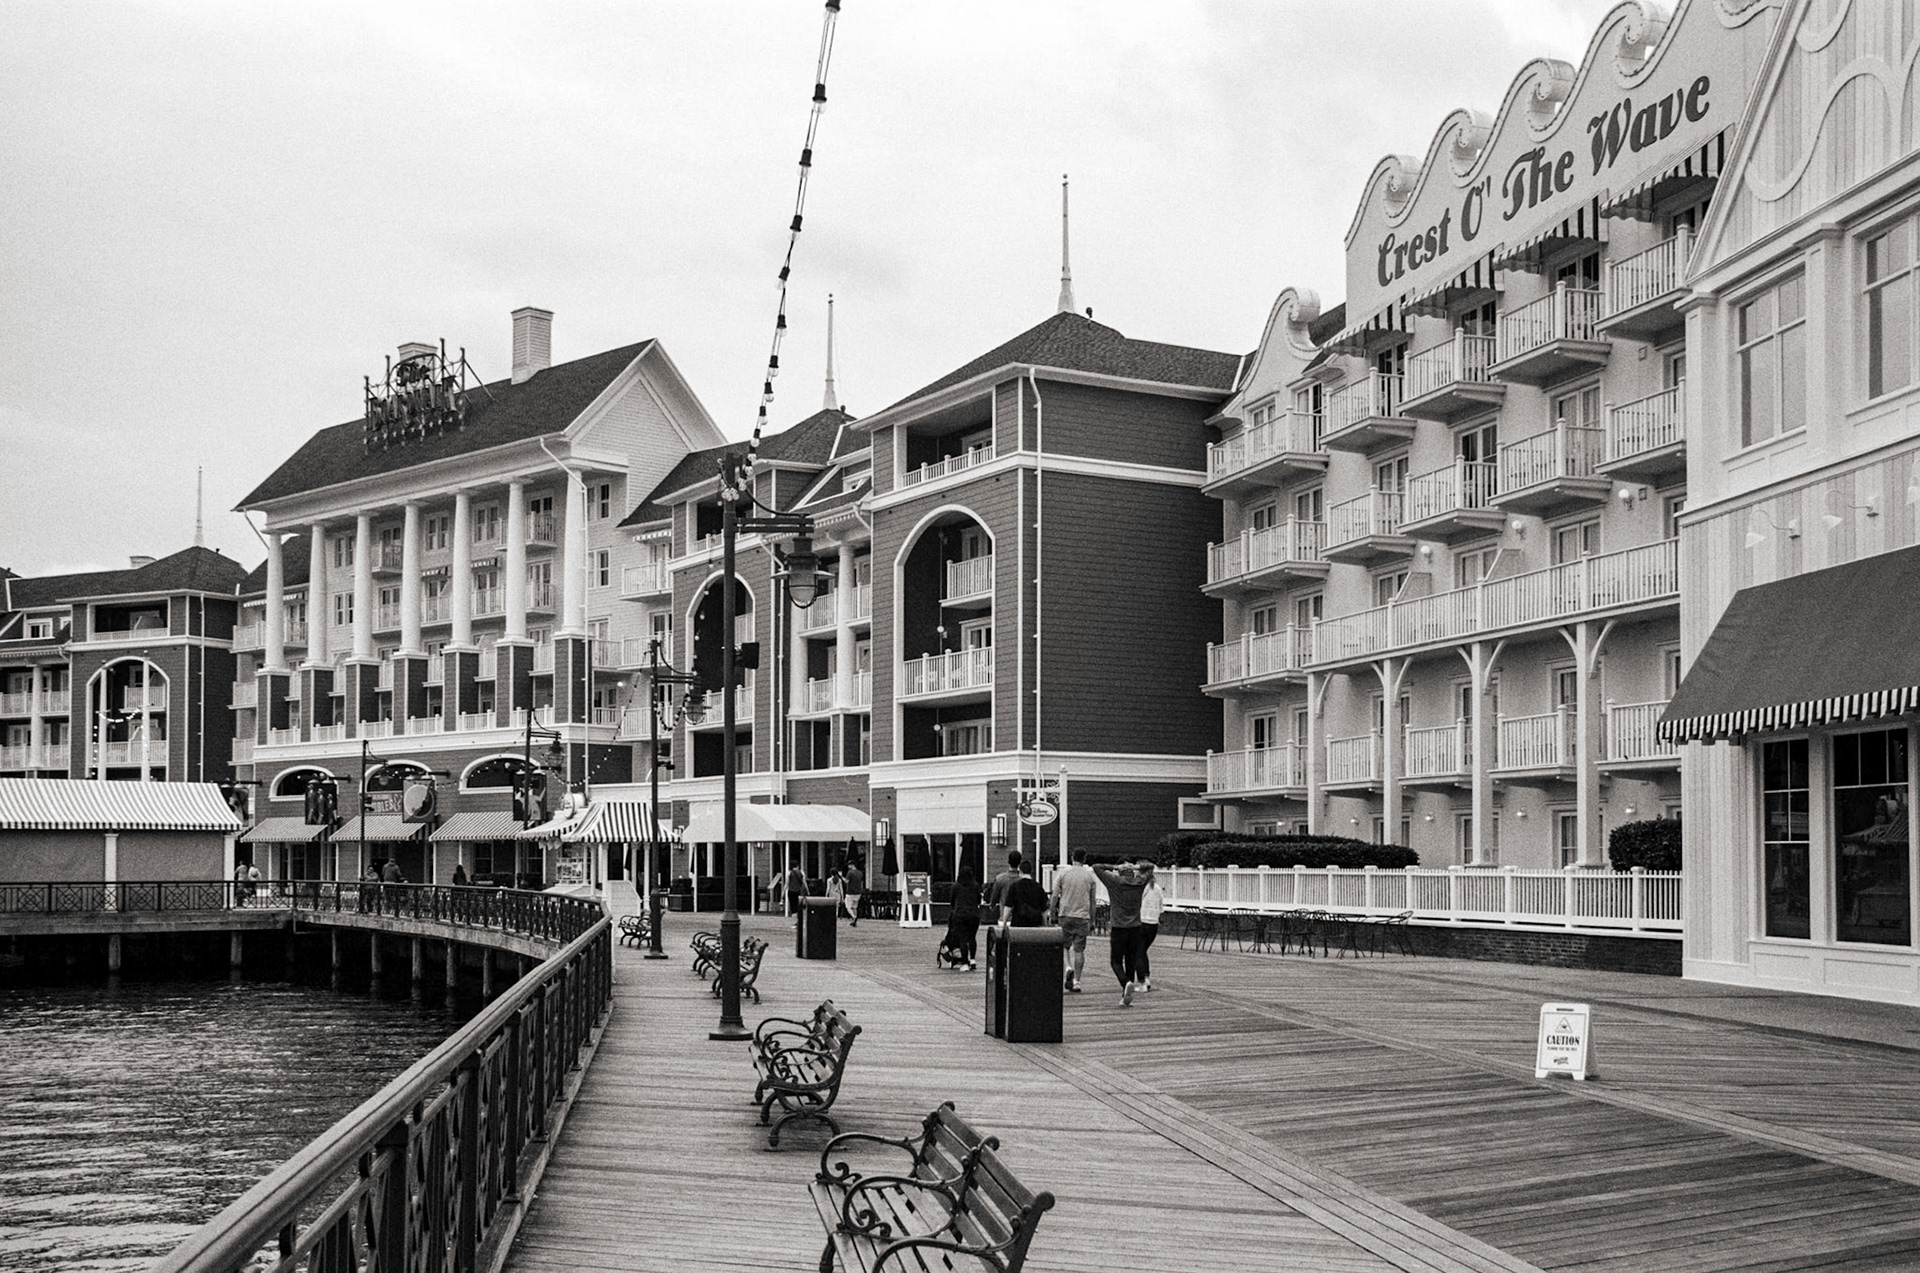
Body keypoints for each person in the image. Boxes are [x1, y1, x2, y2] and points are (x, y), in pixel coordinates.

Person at [1092, 860, 1151, 1005]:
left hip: (1119, 927)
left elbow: (1096, 867)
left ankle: (1125, 983)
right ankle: (1126, 995)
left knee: (1116, 961)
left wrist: (1115, 867)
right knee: (1130, 961)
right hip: (1135, 928)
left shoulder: (1114, 882)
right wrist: (1137, 866)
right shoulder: (1140, 882)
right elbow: (1150, 867)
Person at [1049, 849, 1098, 992]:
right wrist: (1093, 920)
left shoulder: (1063, 873)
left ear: (1072, 858)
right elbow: (1092, 901)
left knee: (1064, 945)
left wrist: (1052, 913)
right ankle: (1077, 981)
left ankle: (1067, 967)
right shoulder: (1090, 877)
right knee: (1079, 950)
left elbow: (1054, 896)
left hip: (1065, 915)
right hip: (1082, 917)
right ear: (1085, 858)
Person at [939, 862, 981, 970]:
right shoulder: (976, 886)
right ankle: (973, 960)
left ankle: (965, 963)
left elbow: (952, 901)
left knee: (963, 939)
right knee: (972, 938)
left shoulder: (956, 886)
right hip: (973, 915)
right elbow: (978, 900)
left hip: (960, 915)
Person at [1136, 862, 1164, 993]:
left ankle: (1142, 982)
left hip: (1141, 922)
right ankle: (1146, 978)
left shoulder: (1141, 887)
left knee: (1138, 953)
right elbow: (1161, 908)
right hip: (1153, 924)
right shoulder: (1157, 888)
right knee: (1142, 952)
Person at [1006, 858, 1049, 927]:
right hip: (1035, 923)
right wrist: (1045, 925)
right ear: (1031, 871)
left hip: (1018, 922)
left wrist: (1004, 923)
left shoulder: (1014, 886)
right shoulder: (1038, 887)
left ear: (1020, 872)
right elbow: (1044, 910)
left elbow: (1008, 907)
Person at [986, 850, 1022, 924]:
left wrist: (992, 905)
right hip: (1019, 919)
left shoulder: (1000, 878)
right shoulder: (1022, 880)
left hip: (1004, 917)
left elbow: (994, 897)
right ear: (1019, 863)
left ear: (1008, 861)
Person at [841, 860, 865, 927]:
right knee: (855, 907)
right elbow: (861, 882)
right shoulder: (860, 873)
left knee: (848, 907)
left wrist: (841, 877)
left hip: (850, 892)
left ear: (852, 865)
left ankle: (854, 917)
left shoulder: (850, 872)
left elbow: (846, 881)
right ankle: (854, 922)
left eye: (849, 865)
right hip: (858, 892)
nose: (848, 867)